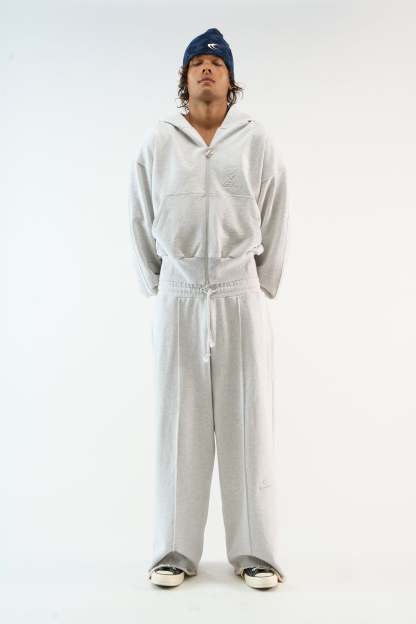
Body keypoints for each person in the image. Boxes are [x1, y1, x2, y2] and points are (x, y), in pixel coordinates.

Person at [128, 27, 289, 590]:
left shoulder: (255, 140)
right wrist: (158, 279)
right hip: (179, 294)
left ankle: (256, 553)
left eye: (216, 63)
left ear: (230, 79)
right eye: (196, 61)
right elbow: (139, 212)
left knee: (248, 422)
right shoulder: (159, 141)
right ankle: (173, 552)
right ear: (184, 77)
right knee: (179, 424)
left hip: (238, 291)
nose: (205, 68)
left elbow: (277, 209)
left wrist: (261, 282)